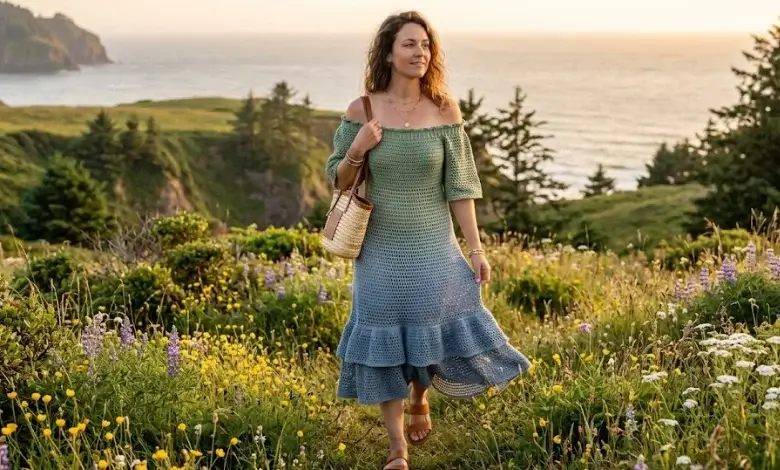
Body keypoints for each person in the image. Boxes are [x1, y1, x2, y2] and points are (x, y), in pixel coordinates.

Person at [325, 10, 531, 470]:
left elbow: (460, 187)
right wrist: (358, 148)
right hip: (378, 249)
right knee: (383, 335)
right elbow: (338, 180)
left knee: (427, 328)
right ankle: (396, 447)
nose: (420, 53)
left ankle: (421, 396)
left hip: (433, 245)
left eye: (426, 45)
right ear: (388, 51)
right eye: (409, 45)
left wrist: (475, 248)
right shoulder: (362, 110)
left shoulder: (445, 110)